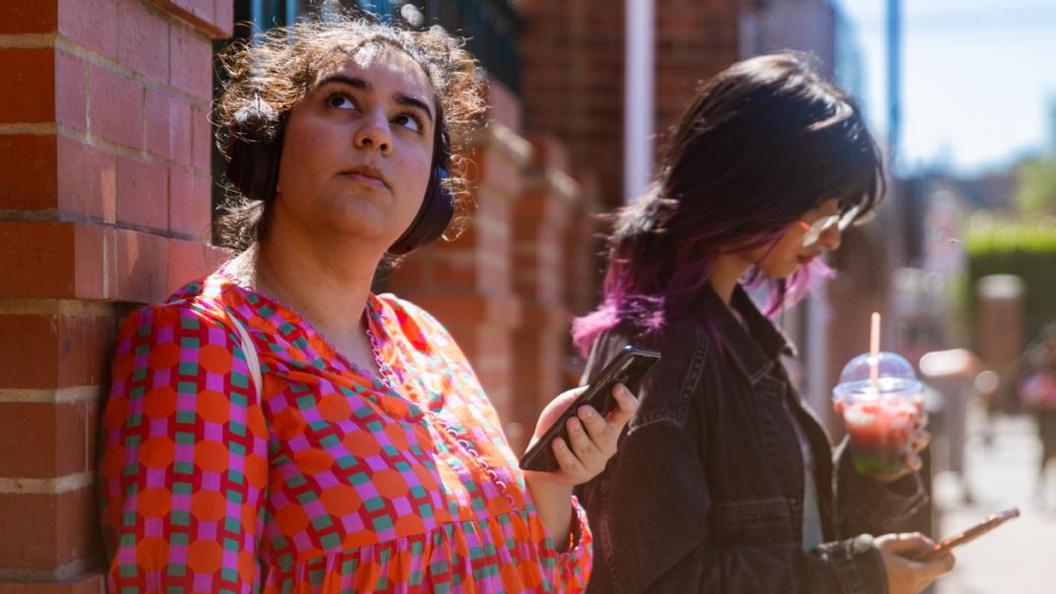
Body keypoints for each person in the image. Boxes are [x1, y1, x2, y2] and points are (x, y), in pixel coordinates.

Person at [97, 8, 637, 593]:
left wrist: (551, 484)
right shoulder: (206, 348)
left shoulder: (422, 338)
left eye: (409, 120)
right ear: (267, 144)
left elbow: (526, 575)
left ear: (430, 193)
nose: (376, 133)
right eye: (341, 102)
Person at [571, 54, 954, 594]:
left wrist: (873, 471)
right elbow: (666, 583)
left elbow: (798, 532)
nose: (833, 237)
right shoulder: (659, 351)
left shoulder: (738, 336)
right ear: (756, 187)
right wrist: (856, 572)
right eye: (824, 212)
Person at [1015, 322, 1056, 506]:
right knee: (1047, 449)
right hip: (1046, 412)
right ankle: (1041, 488)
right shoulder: (1039, 360)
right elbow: (1026, 383)